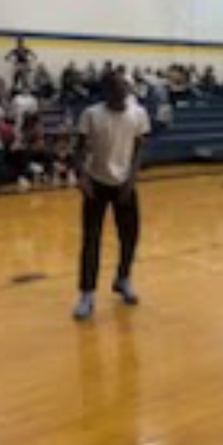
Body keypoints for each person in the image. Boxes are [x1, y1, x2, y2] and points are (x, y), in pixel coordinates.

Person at [72, 71, 151, 321]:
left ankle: (123, 278)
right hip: (96, 183)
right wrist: (82, 178)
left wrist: (132, 178)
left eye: (125, 90)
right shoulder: (91, 114)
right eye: (117, 91)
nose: (122, 96)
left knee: (130, 236)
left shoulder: (138, 114)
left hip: (124, 184)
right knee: (91, 240)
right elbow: (79, 149)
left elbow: (139, 147)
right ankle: (87, 294)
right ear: (106, 92)